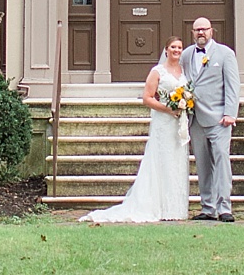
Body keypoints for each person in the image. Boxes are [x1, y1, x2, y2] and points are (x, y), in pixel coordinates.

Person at [81, 37, 192, 223]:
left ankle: (175, 208)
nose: (177, 50)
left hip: (178, 124)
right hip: (163, 122)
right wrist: (167, 109)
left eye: (179, 47)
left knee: (176, 163)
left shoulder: (183, 71)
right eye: (173, 47)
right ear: (166, 50)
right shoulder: (157, 72)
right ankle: (156, 206)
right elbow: (147, 98)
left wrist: (184, 104)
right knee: (161, 162)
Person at [181, 16, 240, 221]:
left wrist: (230, 113)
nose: (201, 33)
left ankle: (224, 207)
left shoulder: (225, 54)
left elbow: (233, 85)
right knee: (202, 164)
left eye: (204, 29)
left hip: (218, 119)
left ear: (211, 31)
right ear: (192, 33)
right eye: (197, 30)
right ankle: (208, 208)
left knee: (221, 161)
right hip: (195, 119)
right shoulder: (187, 54)